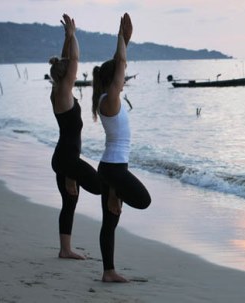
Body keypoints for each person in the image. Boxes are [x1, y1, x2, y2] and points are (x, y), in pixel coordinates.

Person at [91, 13, 151, 283]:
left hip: (111, 167)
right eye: (120, 76)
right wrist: (120, 37)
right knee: (142, 200)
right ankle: (109, 271)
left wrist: (126, 39)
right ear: (112, 80)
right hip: (113, 168)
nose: (124, 78)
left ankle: (108, 272)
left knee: (110, 221)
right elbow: (121, 64)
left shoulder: (108, 97)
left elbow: (120, 64)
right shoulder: (110, 100)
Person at [49, 14, 102, 260]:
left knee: (70, 202)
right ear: (66, 76)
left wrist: (66, 37)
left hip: (64, 158)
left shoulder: (57, 89)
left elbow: (68, 60)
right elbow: (75, 60)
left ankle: (65, 249)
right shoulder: (63, 92)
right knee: (101, 187)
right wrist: (72, 35)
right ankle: (66, 248)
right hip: (67, 159)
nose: (73, 71)